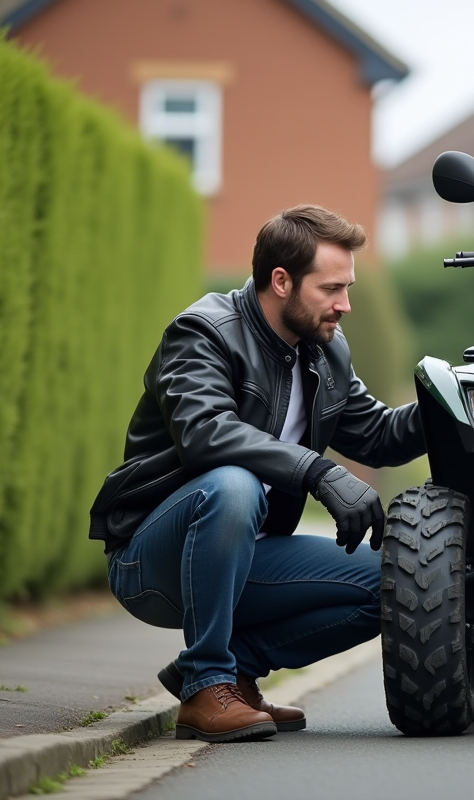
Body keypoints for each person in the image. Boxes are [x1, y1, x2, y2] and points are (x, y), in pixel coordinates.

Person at [88, 205, 425, 742]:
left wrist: (451, 404)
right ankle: (206, 684)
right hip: (152, 561)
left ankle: (233, 672)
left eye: (348, 287)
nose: (346, 305)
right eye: (331, 288)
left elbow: (379, 436)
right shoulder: (204, 333)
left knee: (403, 579)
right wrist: (316, 470)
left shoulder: (326, 351)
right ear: (281, 280)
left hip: (247, 556)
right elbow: (206, 433)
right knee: (233, 482)